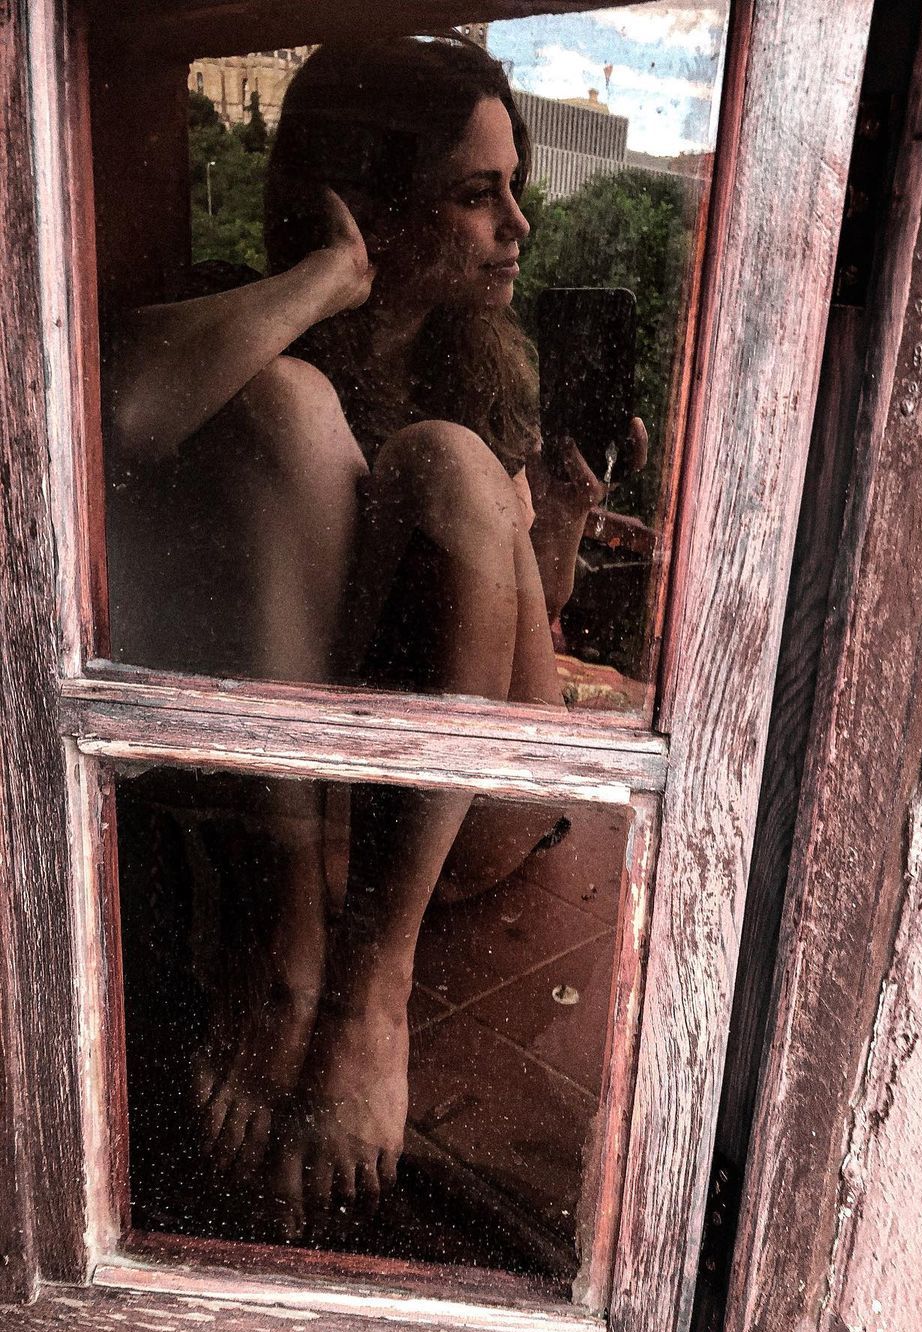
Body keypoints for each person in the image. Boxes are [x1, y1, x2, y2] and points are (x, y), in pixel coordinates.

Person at [104, 34, 646, 1229]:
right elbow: (110, 415)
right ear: (370, 198)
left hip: (454, 812)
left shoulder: (487, 366)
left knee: (445, 461)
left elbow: (522, 636)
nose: (517, 226)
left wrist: (557, 524)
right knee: (285, 399)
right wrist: (327, 278)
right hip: (303, 802)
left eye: (514, 189)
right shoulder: (250, 315)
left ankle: (369, 993)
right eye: (475, 193)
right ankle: (290, 946)